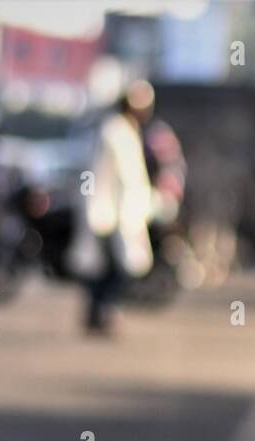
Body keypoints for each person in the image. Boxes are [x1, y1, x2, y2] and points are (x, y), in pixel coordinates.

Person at [72, 80, 157, 333]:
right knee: (113, 267)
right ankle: (100, 311)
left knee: (118, 267)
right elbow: (105, 175)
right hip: (107, 213)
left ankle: (100, 312)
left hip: (121, 213)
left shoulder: (127, 131)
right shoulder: (114, 131)